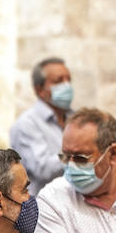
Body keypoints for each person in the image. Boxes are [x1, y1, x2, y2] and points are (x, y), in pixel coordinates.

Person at [10, 57, 73, 196]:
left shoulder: (76, 119)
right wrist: (78, 155)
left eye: (68, 79)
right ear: (40, 90)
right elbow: (42, 168)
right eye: (58, 81)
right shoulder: (27, 124)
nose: (67, 85)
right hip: (41, 207)